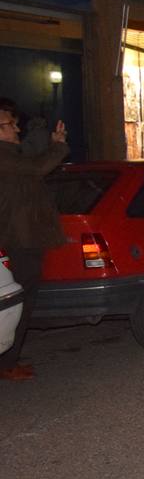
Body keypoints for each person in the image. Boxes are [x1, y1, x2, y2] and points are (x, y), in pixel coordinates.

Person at [0, 114, 67, 381]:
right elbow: (37, 167)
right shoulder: (4, 157)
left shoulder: (12, 155)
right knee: (18, 303)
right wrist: (58, 147)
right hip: (17, 241)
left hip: (22, 238)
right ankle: (7, 363)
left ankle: (9, 360)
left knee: (20, 302)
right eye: (10, 125)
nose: (17, 129)